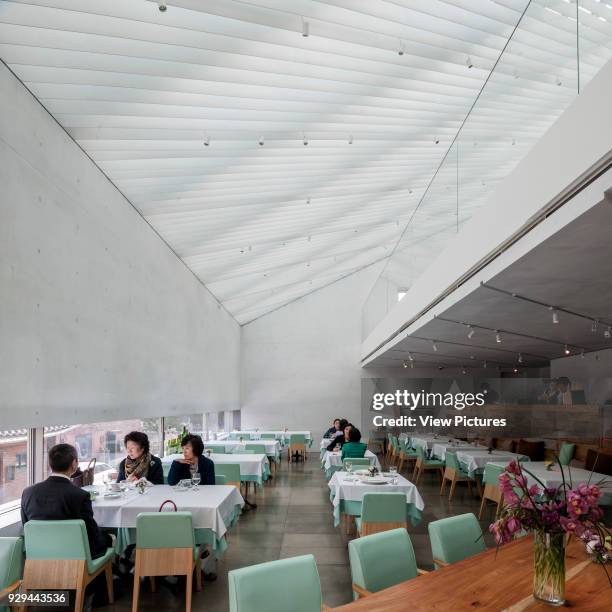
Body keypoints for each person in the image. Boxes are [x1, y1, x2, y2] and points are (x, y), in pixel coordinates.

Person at [21, 443, 112, 559]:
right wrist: (109, 538)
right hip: (75, 559)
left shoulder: (28, 493)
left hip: (40, 555)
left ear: (49, 465)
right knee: (110, 537)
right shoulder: (80, 495)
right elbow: (91, 535)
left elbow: (26, 527)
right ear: (74, 463)